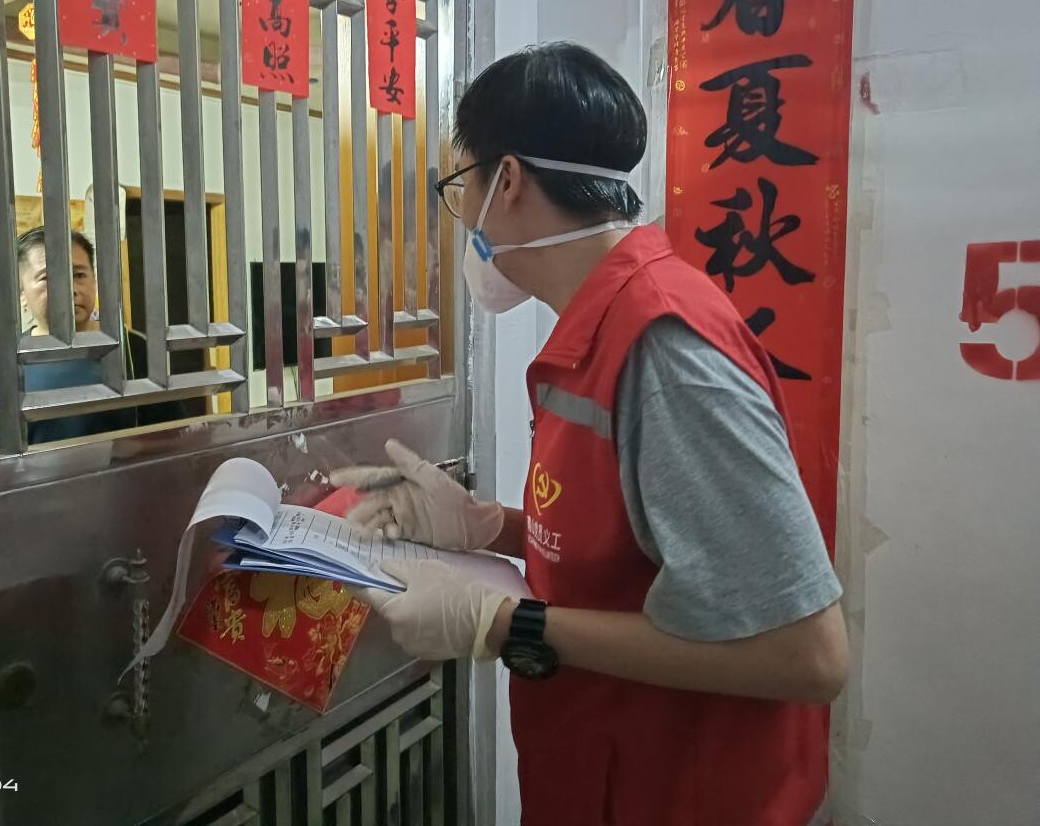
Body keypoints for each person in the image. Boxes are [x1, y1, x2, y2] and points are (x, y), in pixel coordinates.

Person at [331, 43, 847, 826]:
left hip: (687, 796)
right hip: (609, 773)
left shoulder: (659, 345)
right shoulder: (599, 329)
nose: (462, 218)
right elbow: (643, 550)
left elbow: (804, 654)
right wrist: (490, 528)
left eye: (459, 188)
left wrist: (505, 623)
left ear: (506, 180)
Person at [0, 227, 184, 448]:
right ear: (21, 293)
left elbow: (173, 440)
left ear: (94, 281)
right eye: (48, 277)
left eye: (79, 275)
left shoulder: (134, 350)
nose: (69, 289)